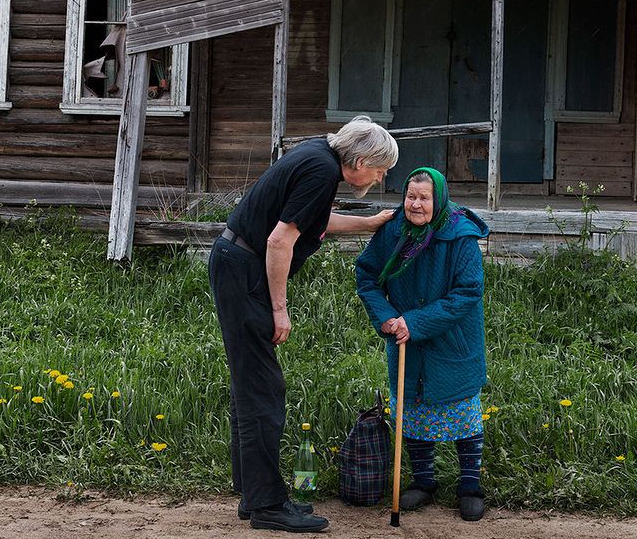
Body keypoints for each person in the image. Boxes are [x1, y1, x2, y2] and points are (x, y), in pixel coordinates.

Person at [209, 115, 399, 532]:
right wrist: (280, 309)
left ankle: (254, 496)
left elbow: (316, 220)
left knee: (251, 384)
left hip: (235, 265)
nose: (381, 176)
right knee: (262, 388)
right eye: (381, 169)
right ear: (362, 159)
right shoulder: (320, 170)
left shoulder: (319, 157)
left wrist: (369, 224)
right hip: (246, 273)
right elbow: (280, 240)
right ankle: (267, 506)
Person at [354, 167, 490, 521]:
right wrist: (385, 316)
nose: (415, 204)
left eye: (424, 198)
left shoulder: (460, 237)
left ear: (439, 199)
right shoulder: (392, 232)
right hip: (403, 338)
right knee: (412, 410)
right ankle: (424, 482)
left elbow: (468, 292)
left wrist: (415, 322)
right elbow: (366, 275)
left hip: (452, 339)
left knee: (462, 413)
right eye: (410, 197)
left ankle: (470, 486)